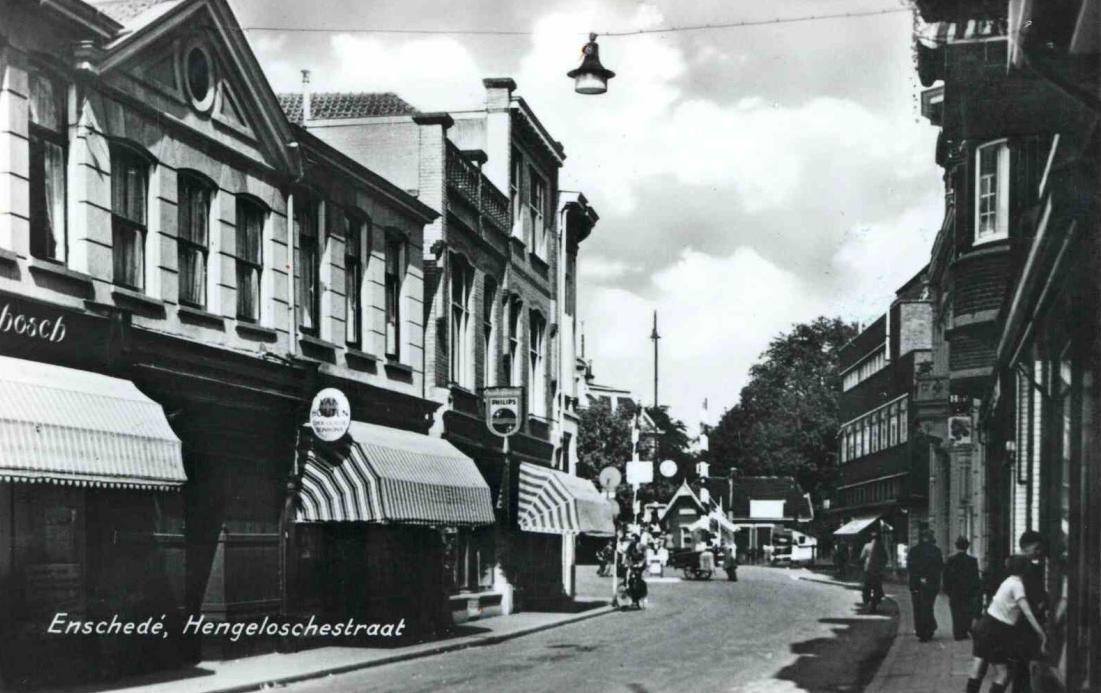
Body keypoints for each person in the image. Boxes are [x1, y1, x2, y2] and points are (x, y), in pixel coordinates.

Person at [964, 555, 1047, 693]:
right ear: (1025, 569)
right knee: (1003, 673)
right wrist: (1041, 633)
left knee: (977, 666)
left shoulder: (1008, 581)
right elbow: (1027, 612)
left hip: (985, 624)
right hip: (997, 630)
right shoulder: (1017, 585)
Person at [1010, 531, 1048, 693]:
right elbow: (1034, 595)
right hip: (1024, 623)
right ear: (1026, 547)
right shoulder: (1027, 568)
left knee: (1020, 668)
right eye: (1036, 548)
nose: (1039, 552)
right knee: (1025, 665)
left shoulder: (1015, 563)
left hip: (1017, 622)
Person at [943, 536, 982, 640]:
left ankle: (957, 633)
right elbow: (975, 578)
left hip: (954, 591)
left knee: (956, 612)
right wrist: (975, 591)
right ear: (967, 547)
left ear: (956, 546)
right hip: (968, 591)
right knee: (967, 611)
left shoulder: (951, 560)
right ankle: (964, 630)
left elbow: (946, 577)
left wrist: (948, 591)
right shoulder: (972, 561)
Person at [908, 529, 944, 642]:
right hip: (931, 584)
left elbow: (910, 568)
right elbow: (940, 567)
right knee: (928, 607)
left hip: (916, 584)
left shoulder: (914, 550)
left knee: (917, 607)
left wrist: (917, 579)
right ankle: (928, 630)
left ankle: (920, 631)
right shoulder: (936, 551)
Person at [860, 531, 887, 613]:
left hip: (868, 570)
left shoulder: (866, 546)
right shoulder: (881, 546)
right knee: (877, 588)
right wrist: (882, 566)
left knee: (866, 587)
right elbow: (885, 558)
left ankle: (867, 602)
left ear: (870, 538)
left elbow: (862, 557)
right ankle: (874, 605)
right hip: (878, 571)